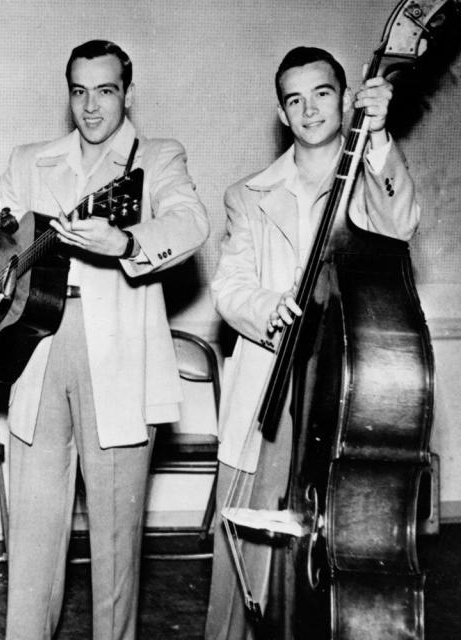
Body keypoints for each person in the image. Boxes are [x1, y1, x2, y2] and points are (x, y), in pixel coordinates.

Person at [0, 39, 210, 639]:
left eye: (105, 90)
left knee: (116, 540)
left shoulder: (157, 158)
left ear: (127, 90)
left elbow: (191, 223)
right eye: (78, 92)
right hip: (35, 349)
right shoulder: (30, 159)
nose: (91, 106)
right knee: (34, 530)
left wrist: (124, 243)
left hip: (118, 359)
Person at [205, 46, 421, 639]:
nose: (309, 109)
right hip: (270, 384)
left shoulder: (369, 175)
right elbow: (229, 286)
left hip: (344, 392)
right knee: (242, 568)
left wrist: (377, 141)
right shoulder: (247, 194)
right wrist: (265, 309)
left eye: (322, 93)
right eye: (294, 99)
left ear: (346, 98)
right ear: (282, 112)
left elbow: (401, 225)